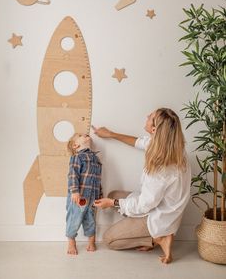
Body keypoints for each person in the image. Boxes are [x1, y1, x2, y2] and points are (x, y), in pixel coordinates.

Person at [93, 108, 191, 264]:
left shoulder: (162, 168)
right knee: (112, 194)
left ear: (154, 129)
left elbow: (144, 204)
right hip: (159, 205)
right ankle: (143, 231)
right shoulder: (169, 146)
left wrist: (112, 204)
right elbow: (139, 142)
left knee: (109, 239)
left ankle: (158, 238)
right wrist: (111, 134)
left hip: (157, 215)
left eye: (150, 117)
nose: (147, 116)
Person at [66, 133, 103, 255]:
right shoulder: (77, 157)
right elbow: (72, 175)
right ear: (76, 145)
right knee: (74, 218)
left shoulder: (96, 159)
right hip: (79, 196)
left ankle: (91, 241)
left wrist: (100, 194)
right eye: (81, 135)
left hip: (92, 197)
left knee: (91, 219)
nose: (85, 134)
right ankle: (71, 241)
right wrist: (75, 191)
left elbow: (98, 179)